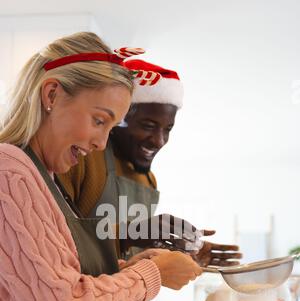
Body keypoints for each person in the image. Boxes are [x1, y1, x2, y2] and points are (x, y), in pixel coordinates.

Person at [0, 32, 203, 301]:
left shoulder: (47, 179)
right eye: (99, 120)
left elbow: (52, 286)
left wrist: (130, 265)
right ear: (52, 94)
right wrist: (153, 272)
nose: (99, 143)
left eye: (110, 127)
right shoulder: (10, 172)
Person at [58, 59, 241, 266]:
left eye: (167, 129)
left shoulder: (148, 179)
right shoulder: (81, 157)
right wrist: (131, 232)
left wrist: (178, 251)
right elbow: (58, 240)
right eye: (148, 125)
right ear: (118, 119)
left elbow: (131, 253)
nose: (159, 140)